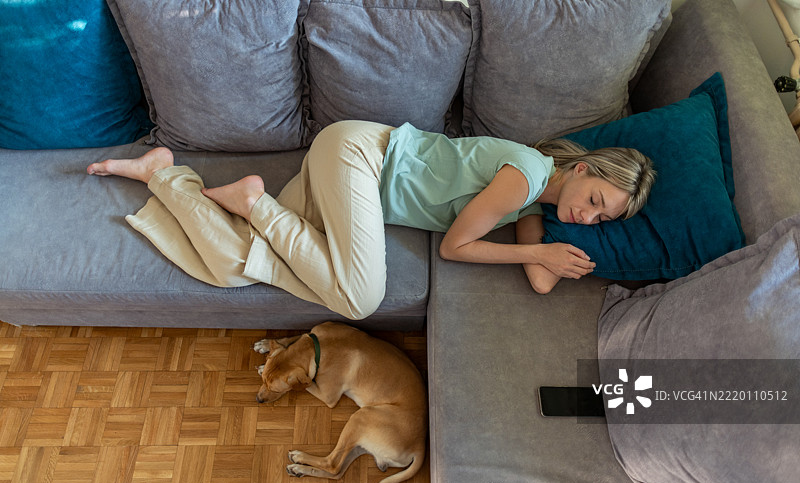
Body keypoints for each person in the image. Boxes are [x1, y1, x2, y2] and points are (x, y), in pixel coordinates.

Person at [87, 121, 655, 320]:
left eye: (602, 219)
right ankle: (255, 204)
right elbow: (455, 248)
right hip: (361, 158)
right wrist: (537, 249)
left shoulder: (533, 202)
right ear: (580, 167)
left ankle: (161, 173)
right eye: (597, 198)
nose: (588, 216)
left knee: (236, 265)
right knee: (360, 299)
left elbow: (541, 280)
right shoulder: (525, 176)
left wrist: (550, 243)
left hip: (349, 178)